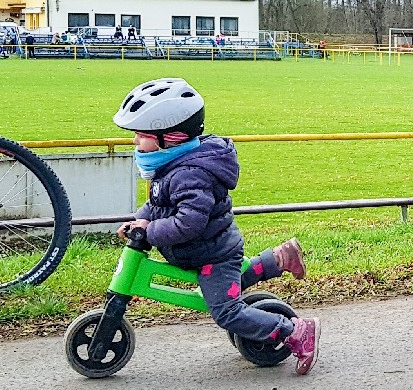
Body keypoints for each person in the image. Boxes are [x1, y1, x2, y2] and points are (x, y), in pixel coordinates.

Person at [113, 78, 321, 375]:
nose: (135, 142)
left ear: (169, 137)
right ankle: (278, 258)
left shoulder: (190, 174)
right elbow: (160, 203)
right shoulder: (172, 167)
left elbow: (189, 222)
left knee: (225, 310)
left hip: (212, 254)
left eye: (140, 135)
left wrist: (150, 231)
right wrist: (141, 219)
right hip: (208, 249)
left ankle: (293, 331)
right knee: (229, 287)